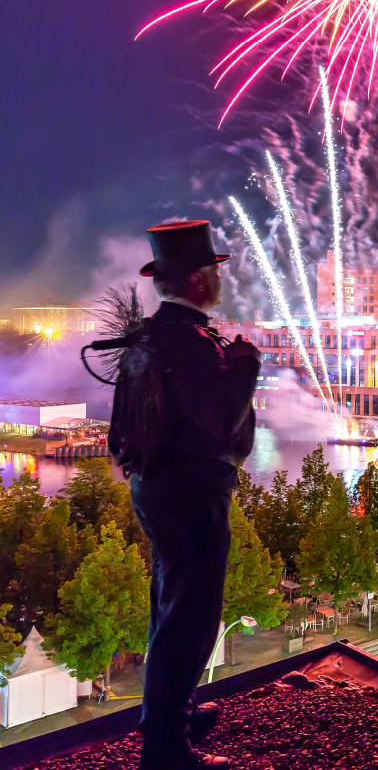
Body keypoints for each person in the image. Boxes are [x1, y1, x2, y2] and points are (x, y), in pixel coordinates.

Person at [107, 221, 261, 770]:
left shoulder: (147, 337)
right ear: (198, 282)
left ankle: (171, 713)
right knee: (190, 616)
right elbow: (222, 420)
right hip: (193, 494)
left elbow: (119, 431)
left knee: (168, 606)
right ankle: (166, 750)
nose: (220, 277)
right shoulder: (195, 345)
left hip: (155, 490)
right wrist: (245, 364)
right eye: (214, 271)